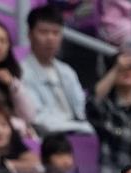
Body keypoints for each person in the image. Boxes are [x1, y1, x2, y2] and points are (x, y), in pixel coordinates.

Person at [19, 5, 94, 136]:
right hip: (47, 137)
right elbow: (38, 119)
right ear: (30, 34)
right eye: (43, 32)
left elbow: (81, 108)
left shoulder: (67, 71)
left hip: (79, 132)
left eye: (56, 33)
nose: (50, 38)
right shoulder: (21, 71)